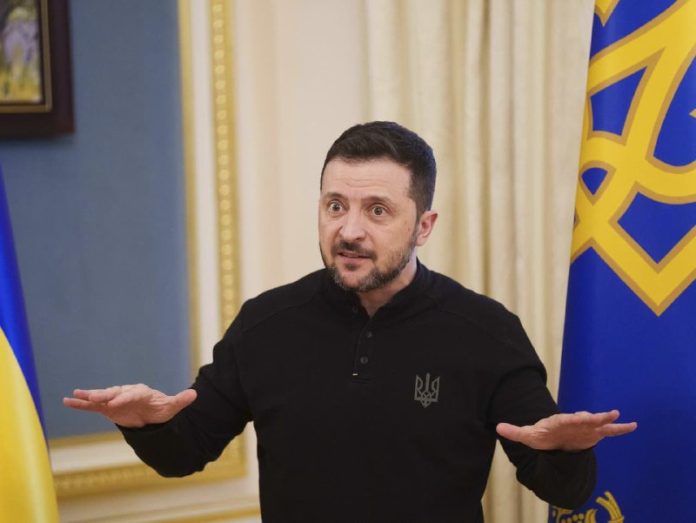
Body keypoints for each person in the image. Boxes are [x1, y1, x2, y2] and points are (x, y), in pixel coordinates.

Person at [64, 121, 637, 523]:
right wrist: (144, 423)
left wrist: (566, 452)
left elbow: (562, 487)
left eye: (377, 210)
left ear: (424, 226)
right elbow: (185, 452)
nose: (350, 230)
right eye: (335, 205)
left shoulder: (486, 332)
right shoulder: (265, 324)